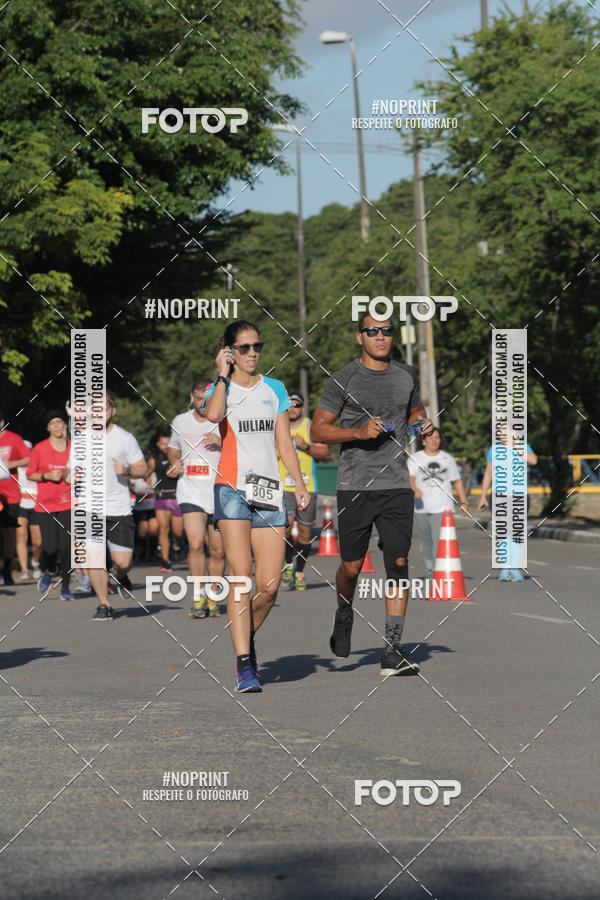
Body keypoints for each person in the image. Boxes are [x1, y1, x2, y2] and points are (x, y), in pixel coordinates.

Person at [310, 313, 434, 677]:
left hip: (396, 485)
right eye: (372, 331)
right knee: (351, 567)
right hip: (355, 486)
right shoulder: (343, 378)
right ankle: (344, 609)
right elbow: (318, 430)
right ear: (359, 337)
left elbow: (415, 412)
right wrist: (358, 432)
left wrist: (423, 425)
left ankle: (392, 651)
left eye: (387, 331)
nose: (381, 336)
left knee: (398, 563)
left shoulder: (405, 374)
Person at [204, 320, 309, 693]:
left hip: (267, 488)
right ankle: (245, 663)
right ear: (230, 352)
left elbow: (284, 443)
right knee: (241, 576)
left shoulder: (274, 388)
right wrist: (221, 375)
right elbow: (214, 416)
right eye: (244, 348)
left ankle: (242, 636)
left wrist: (298, 482)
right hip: (231, 489)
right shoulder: (221, 389)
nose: (252, 354)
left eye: (256, 347)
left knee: (269, 586)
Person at [66, 392, 146, 618]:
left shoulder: (125, 438)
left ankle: (121, 576)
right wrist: (71, 476)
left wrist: (127, 470)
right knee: (94, 557)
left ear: (113, 411)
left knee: (123, 562)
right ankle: (104, 604)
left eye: (105, 408)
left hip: (119, 507)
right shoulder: (81, 439)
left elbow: (142, 468)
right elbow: (69, 471)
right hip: (90, 507)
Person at [167, 379, 224, 618]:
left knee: (218, 550)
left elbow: (243, 447)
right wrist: (174, 461)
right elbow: (172, 446)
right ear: (192, 397)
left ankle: (213, 596)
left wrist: (222, 441)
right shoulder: (181, 421)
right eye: (198, 399)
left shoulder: (223, 420)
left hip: (220, 490)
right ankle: (198, 594)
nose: (202, 403)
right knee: (196, 542)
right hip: (190, 490)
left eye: (207, 399)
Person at [278, 392, 329, 591]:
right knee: (286, 527)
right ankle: (288, 564)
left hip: (307, 487)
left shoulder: (310, 426)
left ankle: (299, 571)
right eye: (289, 405)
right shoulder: (277, 425)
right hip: (283, 486)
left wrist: (305, 445)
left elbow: (324, 452)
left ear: (302, 408)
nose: (292, 409)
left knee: (306, 534)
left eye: (297, 405)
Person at [478, 424, 537, 581]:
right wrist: (483, 495)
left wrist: (516, 444)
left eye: (506, 430)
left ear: (514, 431)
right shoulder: (494, 450)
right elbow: (488, 474)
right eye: (500, 431)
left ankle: (515, 567)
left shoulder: (524, 446)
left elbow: (533, 461)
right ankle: (506, 566)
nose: (502, 434)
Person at [408, 427, 468, 579]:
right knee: (426, 541)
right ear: (423, 440)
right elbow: (410, 479)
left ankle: (437, 571)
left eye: (437, 438)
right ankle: (430, 568)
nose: (434, 441)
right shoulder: (416, 458)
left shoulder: (447, 458)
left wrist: (463, 502)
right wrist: (414, 489)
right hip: (421, 506)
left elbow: (457, 481)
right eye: (431, 438)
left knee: (438, 539)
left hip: (443, 506)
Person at [26, 410, 73, 599]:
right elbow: (30, 474)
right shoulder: (39, 448)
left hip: (69, 503)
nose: (56, 426)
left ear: (65, 425)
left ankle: (66, 588)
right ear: (48, 427)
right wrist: (46, 476)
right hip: (45, 505)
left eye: (59, 422)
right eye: (52, 423)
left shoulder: (75, 448)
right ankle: (50, 570)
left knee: (67, 547)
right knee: (51, 548)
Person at [0, 410, 31, 585]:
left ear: (2, 422)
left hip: (10, 494)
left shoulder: (13, 439)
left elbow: (29, 458)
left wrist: (12, 464)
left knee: (10, 533)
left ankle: (7, 568)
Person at [147, 432, 183, 571]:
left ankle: (177, 544)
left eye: (168, 443)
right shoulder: (153, 460)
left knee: (178, 532)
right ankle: (165, 560)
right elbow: (146, 473)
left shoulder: (178, 458)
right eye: (162, 443)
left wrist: (178, 471)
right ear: (158, 444)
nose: (165, 446)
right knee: (163, 529)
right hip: (161, 497)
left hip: (177, 498)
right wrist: (147, 479)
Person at [16, 442, 42, 582]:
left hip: (36, 506)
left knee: (38, 541)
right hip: (21, 506)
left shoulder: (37, 466)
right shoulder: (16, 469)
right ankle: (25, 570)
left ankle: (35, 563)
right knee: (21, 537)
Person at [130, 468, 158, 562]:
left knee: (154, 530)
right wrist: (135, 493)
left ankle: (152, 553)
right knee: (142, 532)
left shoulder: (154, 474)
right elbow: (128, 483)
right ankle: (141, 551)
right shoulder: (135, 475)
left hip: (153, 506)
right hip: (140, 507)